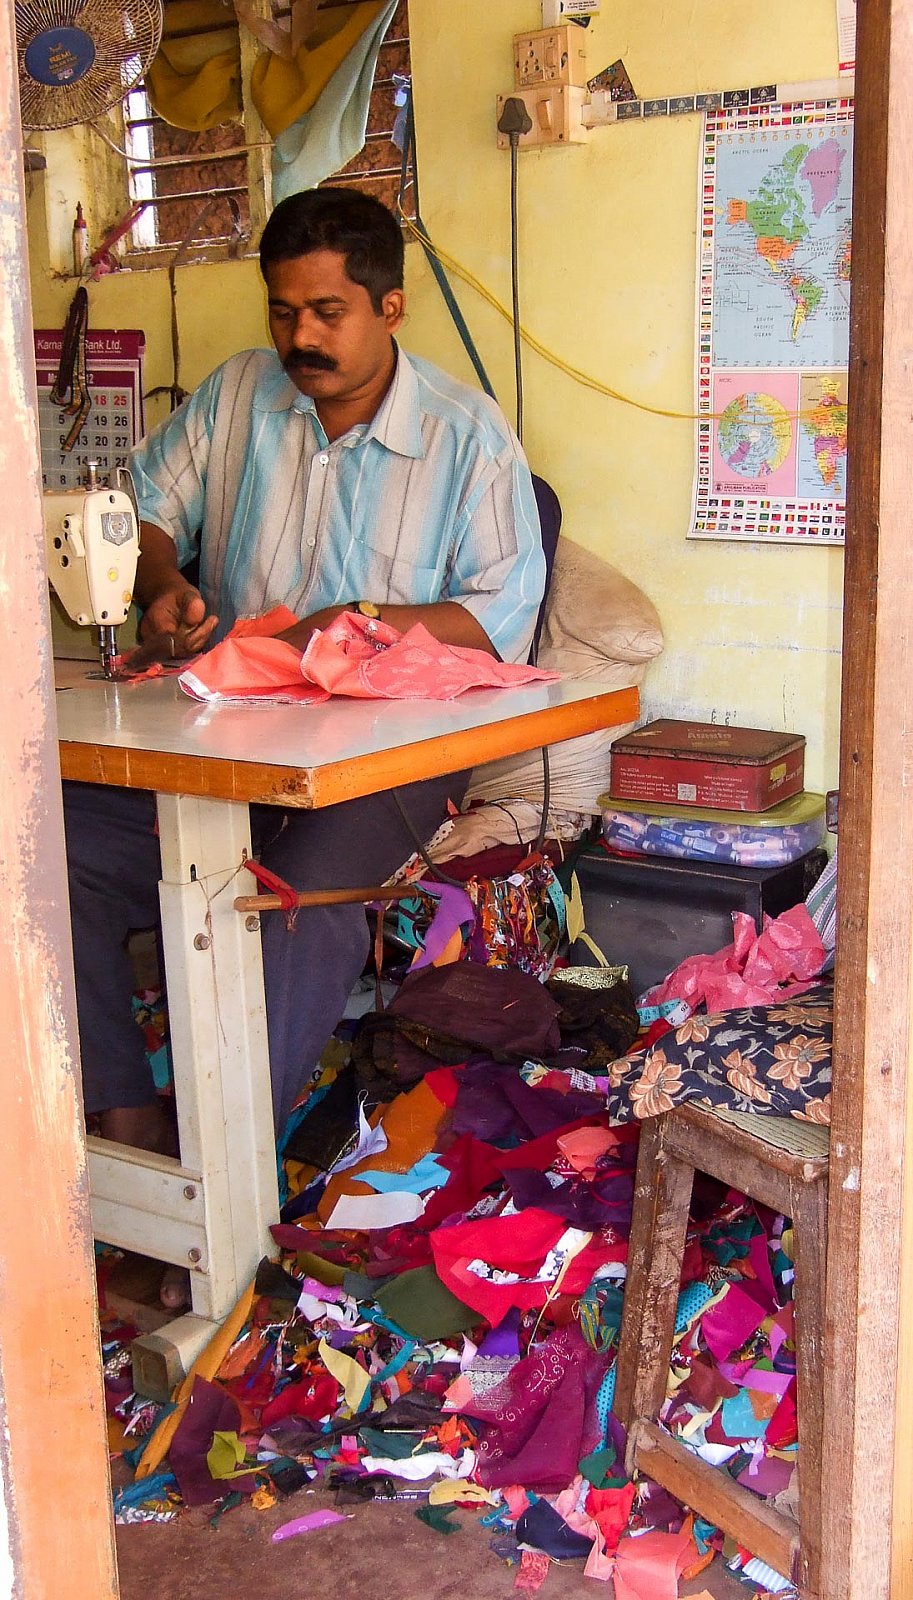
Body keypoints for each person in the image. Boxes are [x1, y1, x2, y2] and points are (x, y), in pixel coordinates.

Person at [64, 188, 545, 1161]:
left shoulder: (464, 435)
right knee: (47, 844)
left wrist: (357, 620)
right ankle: (125, 1112)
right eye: (284, 312)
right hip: (230, 727)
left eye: (328, 312)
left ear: (389, 307)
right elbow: (142, 512)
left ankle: (225, 1167)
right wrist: (162, 586)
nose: (301, 337)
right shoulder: (240, 394)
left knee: (297, 903)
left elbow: (499, 620)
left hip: (389, 752)